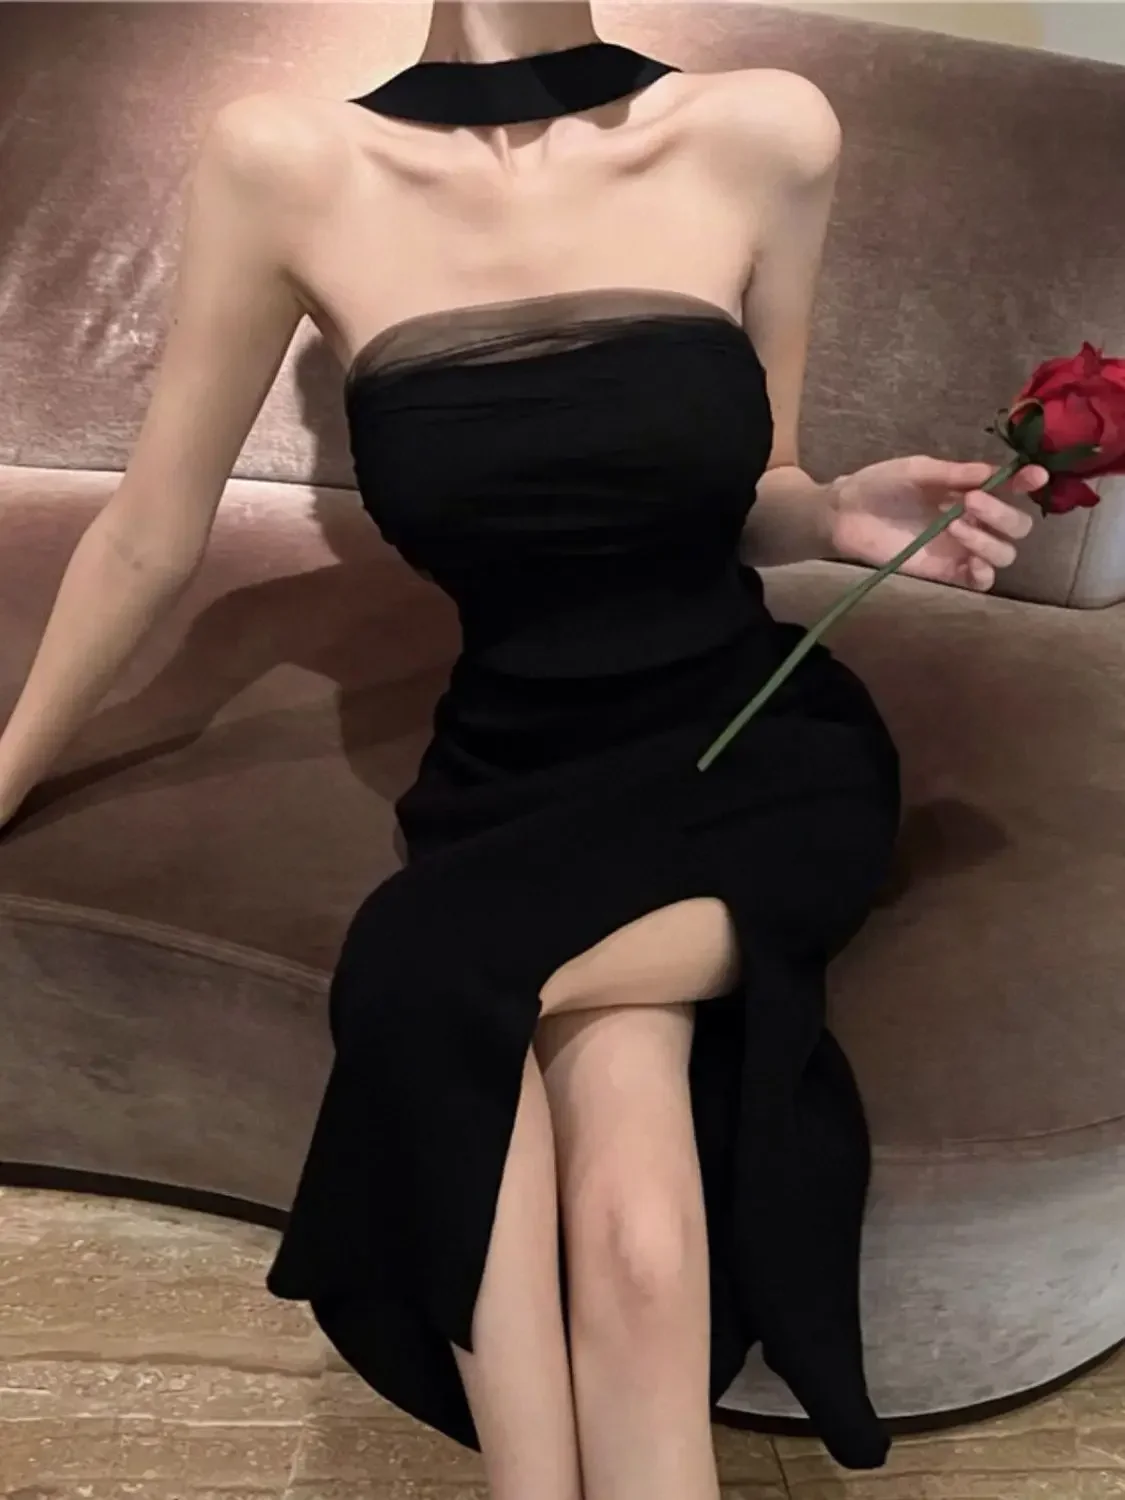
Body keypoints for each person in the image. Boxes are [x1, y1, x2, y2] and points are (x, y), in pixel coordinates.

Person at [0, 3, 1046, 1495]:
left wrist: (833, 513)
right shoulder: (285, 164)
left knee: (425, 979)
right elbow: (149, 538)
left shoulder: (763, 131)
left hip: (750, 750)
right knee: (634, 1232)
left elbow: (758, 489)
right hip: (515, 771)